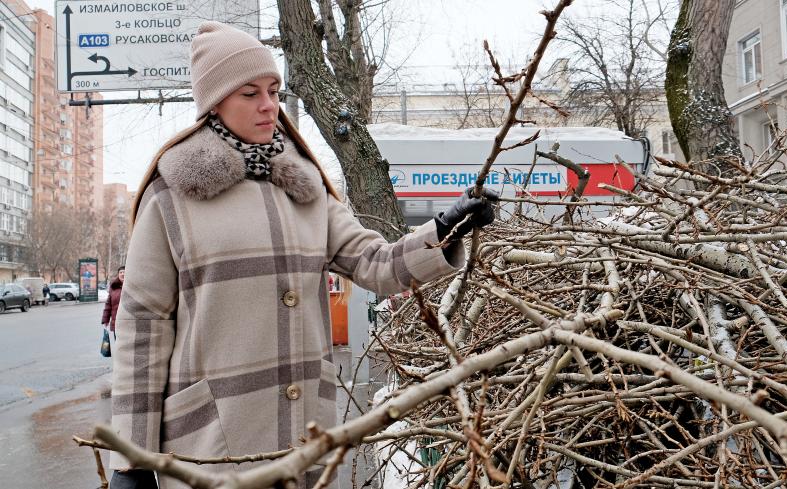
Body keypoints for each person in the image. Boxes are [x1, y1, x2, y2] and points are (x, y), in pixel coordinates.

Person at [109, 21, 497, 489]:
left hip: (305, 434)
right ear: (215, 102)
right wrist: (131, 459)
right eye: (249, 93)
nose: (268, 105)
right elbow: (142, 328)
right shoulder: (170, 197)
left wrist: (443, 229)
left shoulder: (305, 188)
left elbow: (376, 264)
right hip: (211, 444)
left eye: (273, 89)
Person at [101, 266, 125, 339]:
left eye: (124, 272)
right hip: (116, 322)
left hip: (129, 323)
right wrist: (105, 320)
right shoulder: (113, 287)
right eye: (120, 272)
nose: (122, 274)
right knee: (118, 344)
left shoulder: (132, 287)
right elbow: (108, 305)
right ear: (118, 274)